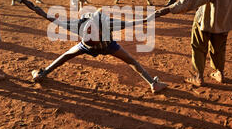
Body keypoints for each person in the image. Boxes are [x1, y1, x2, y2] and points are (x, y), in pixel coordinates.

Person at [29, 6, 168, 93]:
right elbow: (134, 22)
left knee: (65, 56)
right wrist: (150, 17)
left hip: (88, 46)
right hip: (107, 46)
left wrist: (41, 13)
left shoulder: (81, 24)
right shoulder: (108, 24)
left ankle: (43, 73)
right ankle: (153, 84)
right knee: (131, 61)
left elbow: (57, 22)